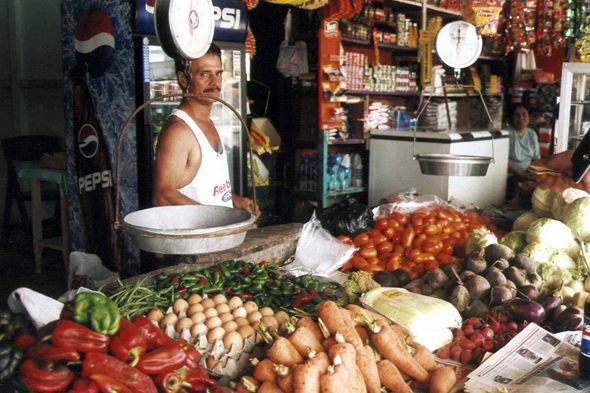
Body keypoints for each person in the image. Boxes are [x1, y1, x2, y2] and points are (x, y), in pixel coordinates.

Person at [152, 44, 258, 215]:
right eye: (204, 74)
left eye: (218, 73)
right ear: (184, 79)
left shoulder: (207, 122)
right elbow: (163, 196)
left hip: (216, 236)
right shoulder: (179, 131)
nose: (214, 82)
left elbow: (207, 186)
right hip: (195, 239)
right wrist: (215, 218)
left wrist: (233, 200)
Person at [506, 105, 541, 199]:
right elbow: (503, 160)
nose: (521, 118)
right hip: (511, 175)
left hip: (528, 173)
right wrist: (519, 172)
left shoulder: (531, 134)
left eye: (524, 114)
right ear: (511, 118)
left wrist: (530, 172)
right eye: (517, 115)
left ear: (528, 117)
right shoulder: (507, 133)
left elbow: (536, 158)